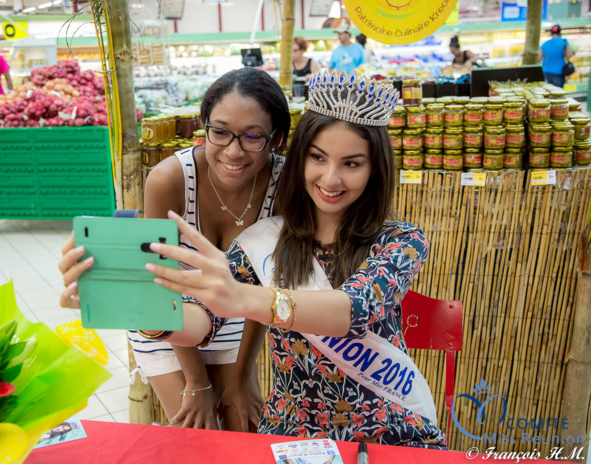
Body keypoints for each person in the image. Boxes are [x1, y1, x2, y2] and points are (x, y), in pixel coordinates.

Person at [142, 69, 447, 449]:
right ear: (300, 158)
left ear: (375, 169)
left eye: (351, 164)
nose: (331, 178)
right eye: (317, 158)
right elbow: (201, 321)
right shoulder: (264, 241)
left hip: (389, 432)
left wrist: (246, 299)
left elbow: (355, 309)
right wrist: (142, 310)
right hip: (294, 435)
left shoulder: (400, 242)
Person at [59, 67, 291, 432]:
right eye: (220, 132)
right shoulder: (170, 179)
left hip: (241, 320)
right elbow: (158, 282)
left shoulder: (284, 184)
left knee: (241, 432)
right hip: (168, 316)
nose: (233, 150)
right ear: (204, 128)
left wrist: (242, 376)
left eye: (252, 136)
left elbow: (266, 289)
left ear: (276, 139)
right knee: (200, 439)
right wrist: (197, 382)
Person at [539, 24, 573, 89]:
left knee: (548, 91)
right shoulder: (564, 42)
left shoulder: (545, 44)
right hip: (558, 72)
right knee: (557, 94)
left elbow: (539, 58)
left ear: (551, 32)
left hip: (545, 71)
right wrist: (573, 53)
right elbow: (568, 56)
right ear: (560, 32)